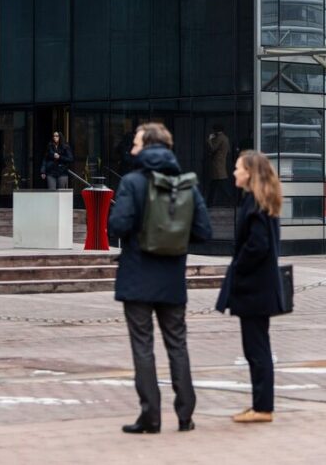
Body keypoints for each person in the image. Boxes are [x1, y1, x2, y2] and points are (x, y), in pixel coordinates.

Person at [108, 122, 212, 434]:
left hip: (137, 276)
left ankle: (150, 416)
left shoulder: (132, 182)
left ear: (149, 146)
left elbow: (117, 226)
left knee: (143, 346)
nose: (132, 149)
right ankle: (185, 415)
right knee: (177, 344)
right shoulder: (186, 184)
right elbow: (203, 231)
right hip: (172, 277)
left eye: (136, 143)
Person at [215, 150, 288, 424]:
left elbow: (258, 245)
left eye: (238, 168)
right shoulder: (260, 201)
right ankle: (260, 404)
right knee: (257, 348)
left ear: (250, 173)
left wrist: (238, 267)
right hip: (259, 288)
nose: (234, 172)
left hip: (255, 289)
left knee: (256, 349)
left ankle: (263, 407)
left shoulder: (255, 204)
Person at [206, 123, 233, 207]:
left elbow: (213, 148)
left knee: (219, 184)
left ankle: (230, 200)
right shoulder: (225, 138)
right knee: (216, 185)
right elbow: (229, 150)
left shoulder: (219, 138)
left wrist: (209, 140)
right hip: (222, 163)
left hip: (217, 164)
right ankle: (210, 202)